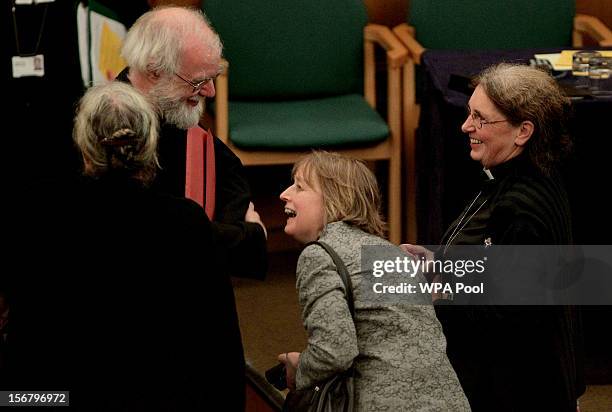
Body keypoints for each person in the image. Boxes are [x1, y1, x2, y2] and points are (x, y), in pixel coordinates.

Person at [3, 82, 245, 411]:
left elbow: (25, 341)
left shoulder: (40, 219)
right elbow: (218, 345)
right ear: (151, 147)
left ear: (84, 146)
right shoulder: (186, 222)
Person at [403, 63, 584, 411]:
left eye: (480, 119)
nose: (466, 126)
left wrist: (439, 293)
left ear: (523, 131)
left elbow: (507, 322)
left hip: (514, 394)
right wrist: (440, 260)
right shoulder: (526, 174)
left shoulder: (520, 210)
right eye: (469, 113)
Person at [277, 151, 470, 411]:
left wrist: (299, 370)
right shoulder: (391, 252)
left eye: (299, 186)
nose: (284, 194)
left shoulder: (320, 254)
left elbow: (334, 351)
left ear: (336, 199)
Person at [117, 6, 267, 279]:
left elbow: (231, 176)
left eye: (212, 78)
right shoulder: (112, 131)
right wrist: (248, 236)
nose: (209, 91)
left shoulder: (169, 108)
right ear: (154, 71)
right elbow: (165, 229)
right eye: (198, 82)